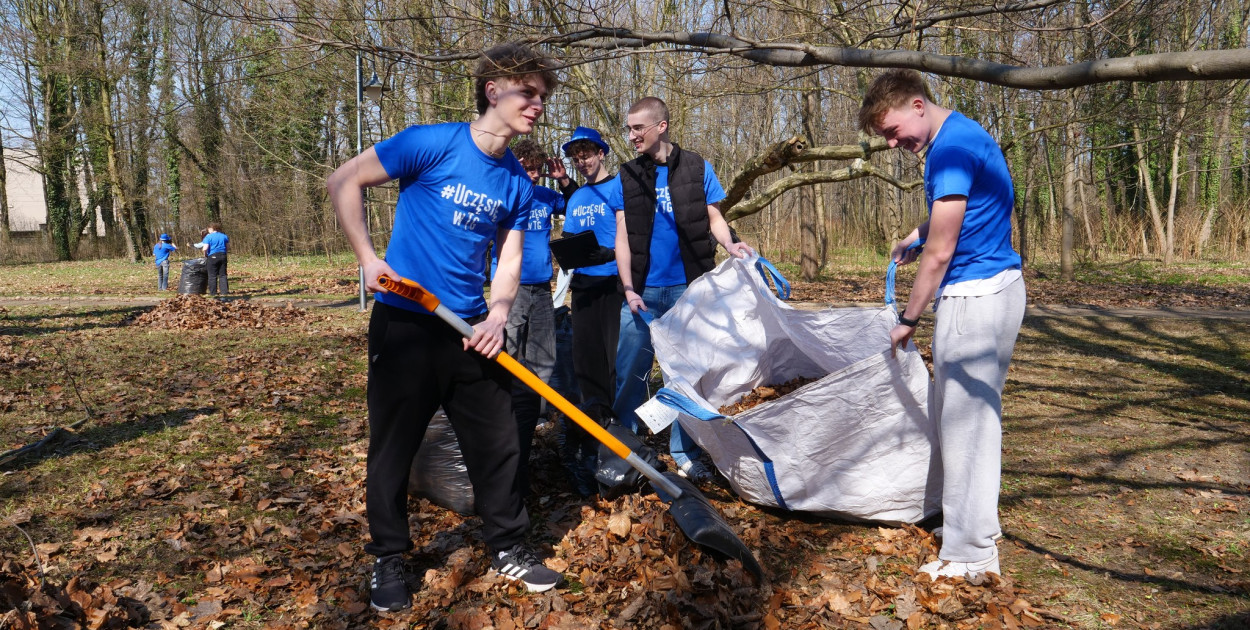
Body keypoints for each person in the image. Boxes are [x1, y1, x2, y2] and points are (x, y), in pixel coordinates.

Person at [326, 43, 563, 612]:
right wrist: (367, 259)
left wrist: (499, 313)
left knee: (500, 438)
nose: (537, 105)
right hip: (405, 323)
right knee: (393, 444)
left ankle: (507, 545)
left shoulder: (515, 182)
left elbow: (508, 257)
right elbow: (343, 181)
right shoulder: (430, 143)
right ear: (493, 91)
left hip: (467, 327)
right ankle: (388, 557)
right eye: (528, 92)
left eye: (542, 96)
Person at [858, 69, 1026, 583]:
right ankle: (977, 535)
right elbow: (966, 210)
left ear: (916, 104)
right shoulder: (963, 135)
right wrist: (918, 230)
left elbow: (942, 252)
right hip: (992, 289)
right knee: (973, 422)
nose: (892, 143)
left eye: (892, 131)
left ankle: (971, 554)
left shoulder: (949, 150)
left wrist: (908, 319)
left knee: (966, 427)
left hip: (975, 297)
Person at [613, 97, 752, 485]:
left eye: (637, 128)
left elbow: (714, 217)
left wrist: (731, 245)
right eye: (628, 128)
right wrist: (627, 287)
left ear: (661, 126)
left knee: (687, 376)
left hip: (690, 292)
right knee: (630, 373)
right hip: (641, 292)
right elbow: (622, 237)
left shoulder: (696, 167)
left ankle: (684, 452)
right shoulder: (626, 174)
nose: (631, 136)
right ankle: (627, 448)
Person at [490, 138, 575, 496]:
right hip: (510, 288)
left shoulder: (544, 196)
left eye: (538, 168)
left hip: (542, 285)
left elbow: (575, 206)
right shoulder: (502, 193)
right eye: (528, 167)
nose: (534, 174)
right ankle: (502, 412)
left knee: (543, 354)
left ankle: (535, 415)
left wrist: (564, 181)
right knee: (506, 351)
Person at [558, 126, 623, 495]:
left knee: (611, 360)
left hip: (612, 284)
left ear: (602, 153)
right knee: (584, 365)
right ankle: (592, 429)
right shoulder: (577, 196)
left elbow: (631, 237)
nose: (582, 161)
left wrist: (610, 254)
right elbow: (571, 237)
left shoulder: (618, 188)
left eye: (587, 154)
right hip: (582, 286)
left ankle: (615, 429)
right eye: (576, 156)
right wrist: (567, 249)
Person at [201, 223, 229, 295]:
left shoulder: (208, 237)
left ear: (211, 228)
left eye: (209, 229)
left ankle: (213, 292)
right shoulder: (224, 236)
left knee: (212, 275)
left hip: (212, 256)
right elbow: (228, 247)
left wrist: (205, 255)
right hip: (223, 255)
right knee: (223, 275)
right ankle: (224, 292)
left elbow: (205, 248)